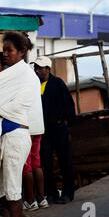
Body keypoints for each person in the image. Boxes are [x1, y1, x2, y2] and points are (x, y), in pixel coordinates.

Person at [0, 31, 44, 217]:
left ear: (22, 52)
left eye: (10, 50)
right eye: (4, 50)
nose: (5, 54)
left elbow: (17, 105)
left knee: (13, 191)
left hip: (16, 136)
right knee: (5, 190)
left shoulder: (28, 77)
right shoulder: (6, 75)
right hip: (0, 134)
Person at [32, 56, 76, 204]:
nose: (38, 70)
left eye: (41, 68)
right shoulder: (33, 86)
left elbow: (69, 105)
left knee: (65, 160)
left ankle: (68, 192)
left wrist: (68, 126)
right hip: (43, 131)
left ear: (48, 69)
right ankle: (51, 193)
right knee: (46, 162)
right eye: (36, 67)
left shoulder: (57, 84)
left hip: (59, 128)